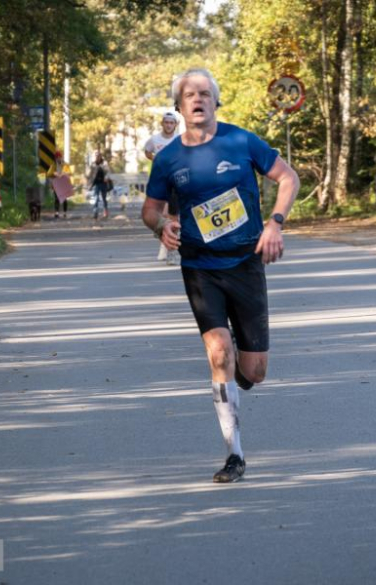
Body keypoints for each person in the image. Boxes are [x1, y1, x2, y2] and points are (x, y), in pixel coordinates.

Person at [141, 68, 299, 483]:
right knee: (218, 352)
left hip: (245, 263)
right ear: (179, 106)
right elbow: (150, 210)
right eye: (189, 94)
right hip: (199, 267)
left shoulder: (241, 141)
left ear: (215, 101)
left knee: (255, 371)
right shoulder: (168, 159)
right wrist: (162, 226)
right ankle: (235, 455)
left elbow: (288, 177)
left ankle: (239, 376)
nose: (197, 99)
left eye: (205, 93)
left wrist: (275, 224)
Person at [144, 112, 180, 265]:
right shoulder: (154, 140)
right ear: (162, 123)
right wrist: (156, 159)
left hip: (175, 181)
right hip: (159, 180)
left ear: (175, 125)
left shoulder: (179, 139)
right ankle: (164, 243)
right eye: (166, 122)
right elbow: (147, 151)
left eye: (171, 123)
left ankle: (170, 249)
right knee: (161, 214)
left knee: (173, 215)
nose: (169, 125)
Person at [87, 151, 110, 220]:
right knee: (96, 198)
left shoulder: (104, 163)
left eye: (98, 156)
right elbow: (90, 174)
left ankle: (105, 211)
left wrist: (106, 178)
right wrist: (89, 181)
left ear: (100, 156)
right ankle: (95, 213)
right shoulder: (93, 164)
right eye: (96, 156)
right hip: (96, 183)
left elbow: (108, 172)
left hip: (103, 183)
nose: (97, 157)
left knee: (104, 198)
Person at [52, 151, 69, 219]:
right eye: (56, 158)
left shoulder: (65, 164)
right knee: (56, 198)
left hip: (63, 183)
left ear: (61, 157)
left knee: (64, 198)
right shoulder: (53, 165)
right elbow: (51, 173)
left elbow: (68, 173)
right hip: (56, 183)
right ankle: (57, 213)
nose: (58, 159)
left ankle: (65, 213)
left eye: (59, 157)